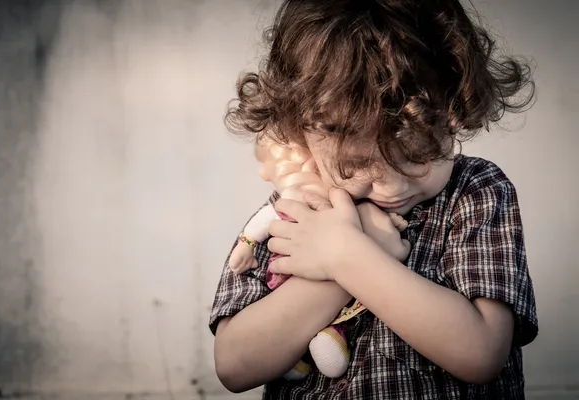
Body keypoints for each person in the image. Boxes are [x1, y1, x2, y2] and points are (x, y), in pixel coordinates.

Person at [210, 0, 538, 398]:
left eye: (418, 156)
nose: (392, 188)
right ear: (299, 131)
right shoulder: (293, 210)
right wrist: (345, 256)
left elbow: (482, 354)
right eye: (355, 166)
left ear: (454, 111)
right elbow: (234, 365)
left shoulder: (477, 191)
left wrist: (350, 256)